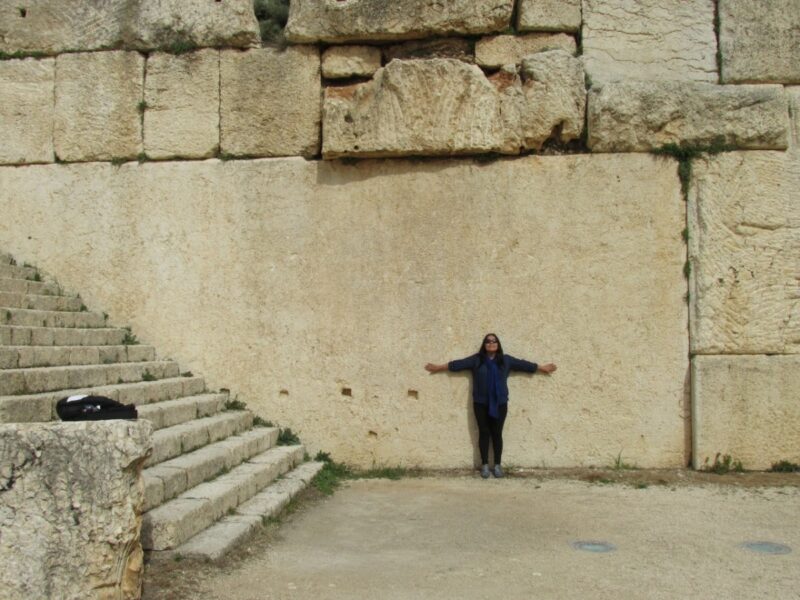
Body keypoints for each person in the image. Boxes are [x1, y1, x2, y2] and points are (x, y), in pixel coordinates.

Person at [425, 333, 556, 479]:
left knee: (497, 433)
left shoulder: (506, 360)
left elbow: (524, 364)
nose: (491, 343)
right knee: (484, 432)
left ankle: (498, 465)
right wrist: (438, 367)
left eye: (494, 341)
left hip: (500, 403)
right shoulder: (477, 360)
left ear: (498, 344)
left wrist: (541, 367)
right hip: (480, 403)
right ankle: (485, 465)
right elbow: (458, 364)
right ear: (484, 344)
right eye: (488, 341)